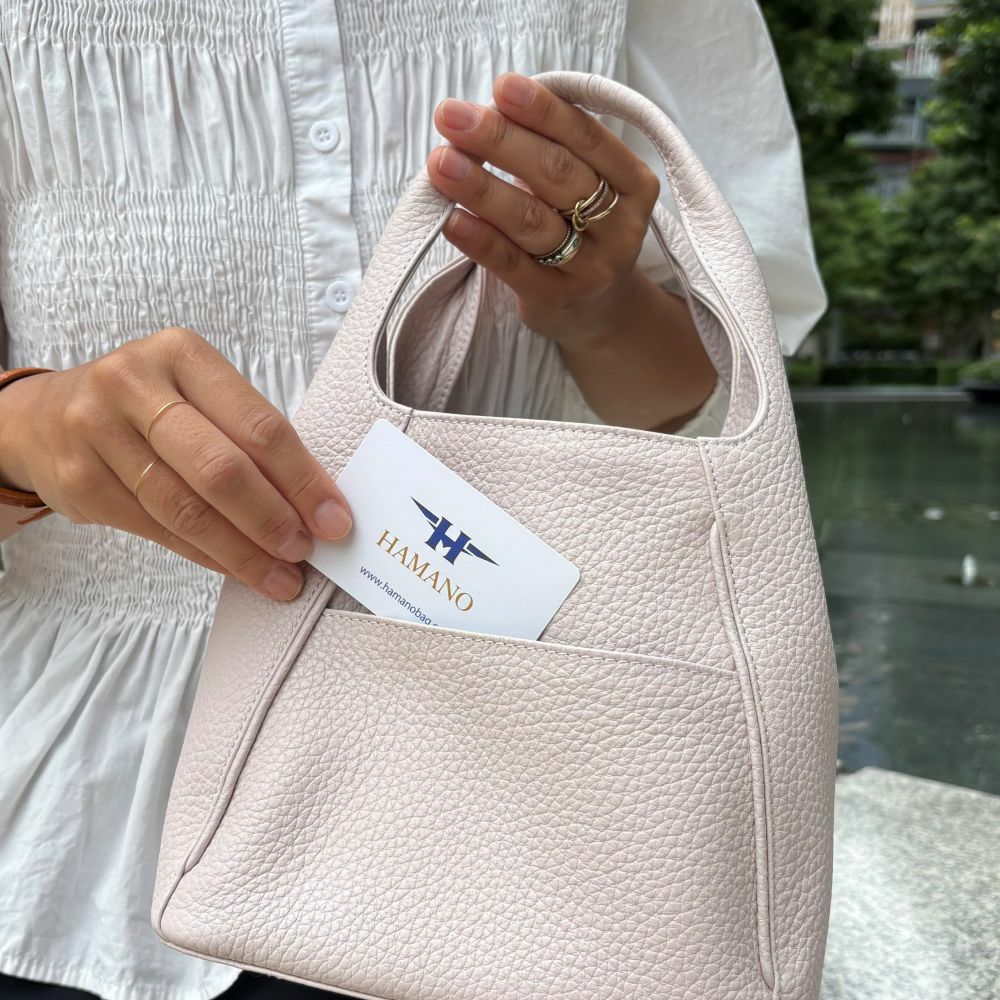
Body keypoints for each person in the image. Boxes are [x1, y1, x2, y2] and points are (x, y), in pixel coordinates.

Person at [0, 1, 825, 998]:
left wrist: (602, 312)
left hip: (554, 806)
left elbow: (713, 407)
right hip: (75, 809)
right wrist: (26, 433)